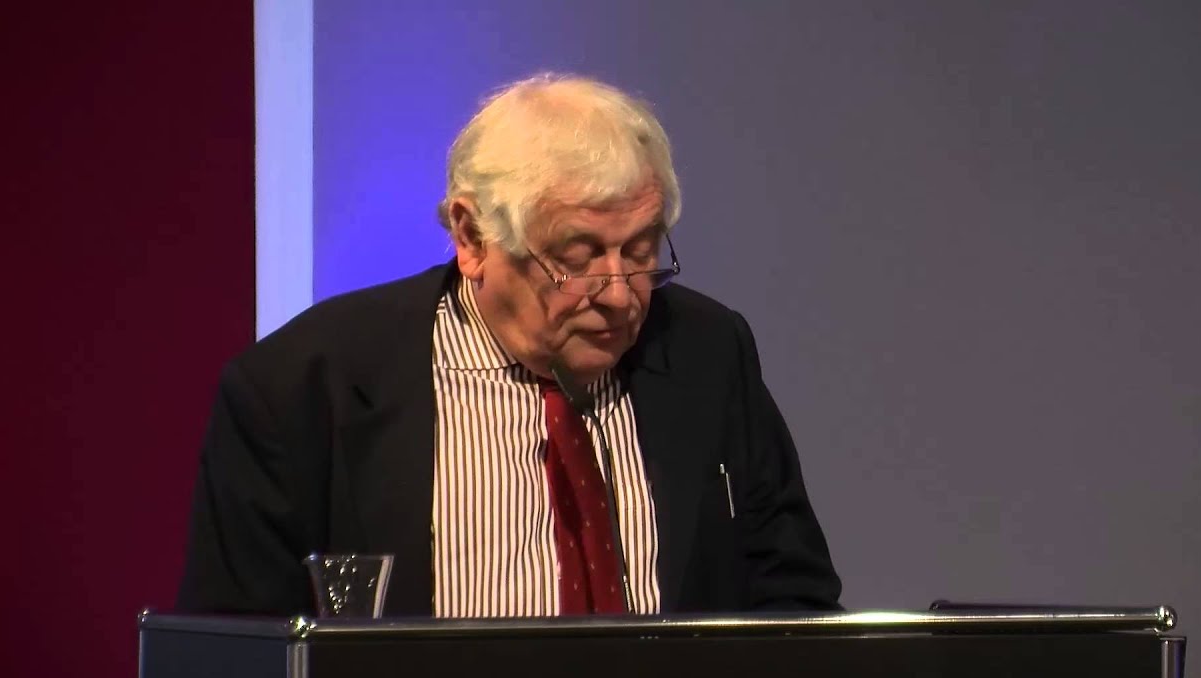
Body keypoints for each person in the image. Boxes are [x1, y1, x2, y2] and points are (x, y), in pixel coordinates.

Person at [176, 74, 841, 617]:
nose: (619, 294)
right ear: (471, 239)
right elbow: (235, 668)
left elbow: (795, 605)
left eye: (640, 252)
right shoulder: (299, 389)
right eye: (577, 258)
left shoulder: (708, 351)